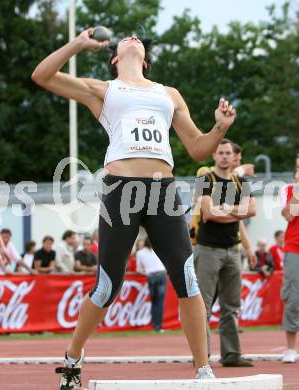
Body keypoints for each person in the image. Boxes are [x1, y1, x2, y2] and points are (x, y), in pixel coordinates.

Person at [32, 27, 236, 387]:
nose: (132, 38)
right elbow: (42, 75)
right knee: (108, 285)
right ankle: (73, 357)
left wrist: (219, 128)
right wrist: (79, 43)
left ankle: (203, 367)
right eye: (125, 38)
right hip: (120, 190)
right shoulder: (104, 90)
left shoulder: (168, 94)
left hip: (162, 190)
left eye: (137, 39)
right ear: (115, 57)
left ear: (145, 58)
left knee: (186, 278)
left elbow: (198, 149)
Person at [194, 139, 256, 367]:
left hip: (232, 250)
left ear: (234, 156)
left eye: (228, 153)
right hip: (208, 249)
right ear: (214, 156)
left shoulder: (242, 182)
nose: (224, 156)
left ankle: (231, 355)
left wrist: (227, 210)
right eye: (220, 153)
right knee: (203, 307)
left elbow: (253, 210)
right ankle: (202, 357)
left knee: (231, 307)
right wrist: (239, 212)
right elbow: (209, 214)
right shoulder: (205, 180)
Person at [281, 168, 299, 363]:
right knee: (293, 298)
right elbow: (289, 215)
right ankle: (291, 348)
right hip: (295, 248)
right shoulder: (289, 190)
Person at [136, 237, 167, 332]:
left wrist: (147, 271)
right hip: (161, 274)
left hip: (151, 276)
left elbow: (138, 270)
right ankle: (159, 326)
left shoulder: (140, 253)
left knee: (154, 301)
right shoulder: (159, 249)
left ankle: (155, 325)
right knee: (160, 302)